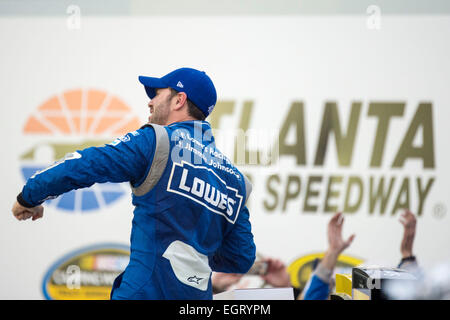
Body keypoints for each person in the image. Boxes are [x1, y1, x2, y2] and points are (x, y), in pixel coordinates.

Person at [12, 67, 256, 300]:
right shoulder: (235, 179)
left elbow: (85, 164)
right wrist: (198, 253)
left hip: (143, 292)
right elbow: (241, 258)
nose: (150, 102)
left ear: (178, 100)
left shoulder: (156, 140)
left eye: (157, 94)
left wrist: (29, 196)